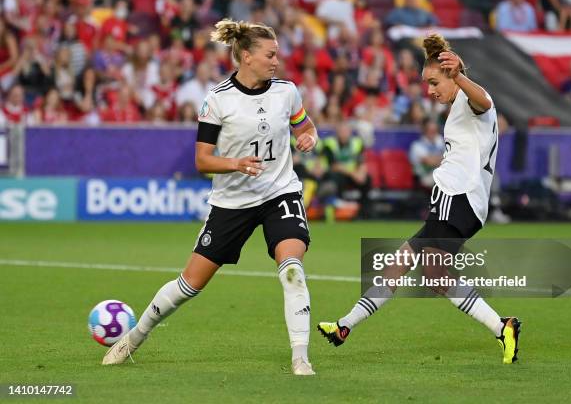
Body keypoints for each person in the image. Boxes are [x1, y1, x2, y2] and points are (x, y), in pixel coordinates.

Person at [102, 18, 319, 376]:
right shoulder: (218, 100)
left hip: (279, 192)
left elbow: (306, 126)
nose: (276, 61)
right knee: (190, 285)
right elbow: (202, 160)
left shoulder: (287, 91)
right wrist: (235, 163)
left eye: (277, 54)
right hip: (231, 202)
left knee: (292, 269)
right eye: (271, 54)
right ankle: (134, 338)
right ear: (246, 56)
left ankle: (300, 357)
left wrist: (309, 137)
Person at [318, 34, 521, 365]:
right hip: (460, 200)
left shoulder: (469, 102)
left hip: (459, 198)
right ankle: (344, 326)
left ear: (451, 75)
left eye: (433, 82)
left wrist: (459, 77)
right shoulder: (459, 107)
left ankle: (502, 327)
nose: (430, 91)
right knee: (398, 264)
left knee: (434, 274)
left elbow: (484, 100)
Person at [409, 117, 445, 189]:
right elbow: (430, 162)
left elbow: (450, 158)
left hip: (440, 174)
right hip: (424, 177)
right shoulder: (417, 146)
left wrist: (437, 159)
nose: (433, 133)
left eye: (435, 131)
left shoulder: (440, 141)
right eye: (430, 130)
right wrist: (441, 159)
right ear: (424, 131)